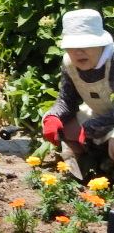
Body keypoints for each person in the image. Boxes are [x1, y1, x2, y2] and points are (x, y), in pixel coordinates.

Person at [42, 9, 114, 176]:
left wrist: (92, 127)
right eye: (71, 47)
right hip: (97, 113)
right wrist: (53, 118)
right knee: (57, 124)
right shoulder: (69, 63)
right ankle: (82, 163)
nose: (77, 52)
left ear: (101, 44)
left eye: (84, 45)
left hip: (105, 120)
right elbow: (67, 100)